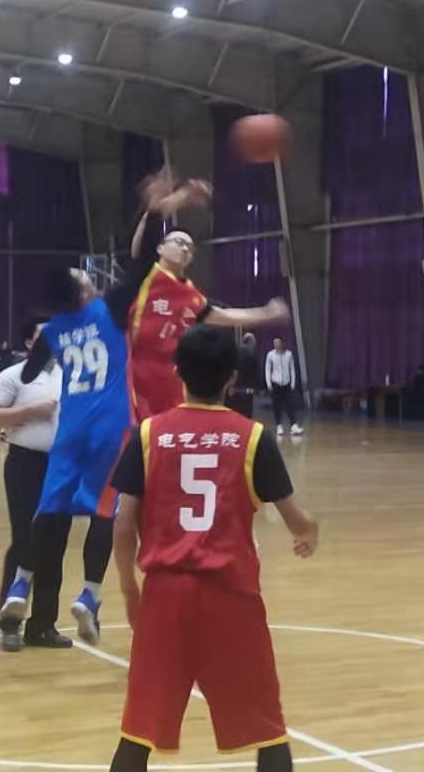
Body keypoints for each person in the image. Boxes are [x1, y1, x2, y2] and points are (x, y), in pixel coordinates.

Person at [1, 177, 206, 648]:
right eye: (84, 277)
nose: (90, 277)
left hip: (69, 429)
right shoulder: (110, 311)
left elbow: (30, 371)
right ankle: (90, 594)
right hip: (110, 428)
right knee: (105, 512)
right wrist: (154, 209)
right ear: (83, 291)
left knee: (48, 511)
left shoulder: (55, 328)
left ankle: (20, 585)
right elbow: (141, 264)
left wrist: (47, 352)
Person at [106, 324, 319, 772]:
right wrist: (308, 530)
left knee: (137, 732)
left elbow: (123, 525)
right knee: (269, 732)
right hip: (231, 598)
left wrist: (128, 588)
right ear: (233, 379)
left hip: (165, 597)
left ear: (177, 371)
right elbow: (294, 518)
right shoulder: (253, 437)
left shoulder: (148, 434)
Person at [126, 209, 289, 425]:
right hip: (137, 382)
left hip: (173, 384)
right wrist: (151, 211)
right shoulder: (148, 276)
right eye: (178, 242)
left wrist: (265, 313)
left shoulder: (190, 295)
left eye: (189, 247)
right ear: (160, 248)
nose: (185, 249)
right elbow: (137, 250)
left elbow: (224, 315)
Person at [0, 317, 61, 652]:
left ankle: (43, 625)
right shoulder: (12, 376)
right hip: (25, 464)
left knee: (54, 542)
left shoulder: (71, 375)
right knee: (25, 539)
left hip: (62, 467)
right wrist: (30, 411)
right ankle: (10, 623)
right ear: (29, 343)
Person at [265, 336, 302, 438]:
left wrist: (293, 382)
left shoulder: (289, 354)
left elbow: (292, 369)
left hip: (286, 383)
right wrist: (268, 383)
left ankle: (293, 425)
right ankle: (279, 425)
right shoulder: (270, 355)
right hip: (275, 383)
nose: (276, 344)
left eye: (278, 342)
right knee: (276, 405)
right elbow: (268, 369)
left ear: (282, 343)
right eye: (274, 342)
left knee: (290, 404)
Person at [229, 332, 262, 420]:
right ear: (250, 342)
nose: (255, 344)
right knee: (247, 410)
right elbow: (255, 372)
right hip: (247, 387)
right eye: (254, 342)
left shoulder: (235, 352)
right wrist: (258, 387)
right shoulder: (251, 354)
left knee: (236, 409)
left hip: (235, 386)